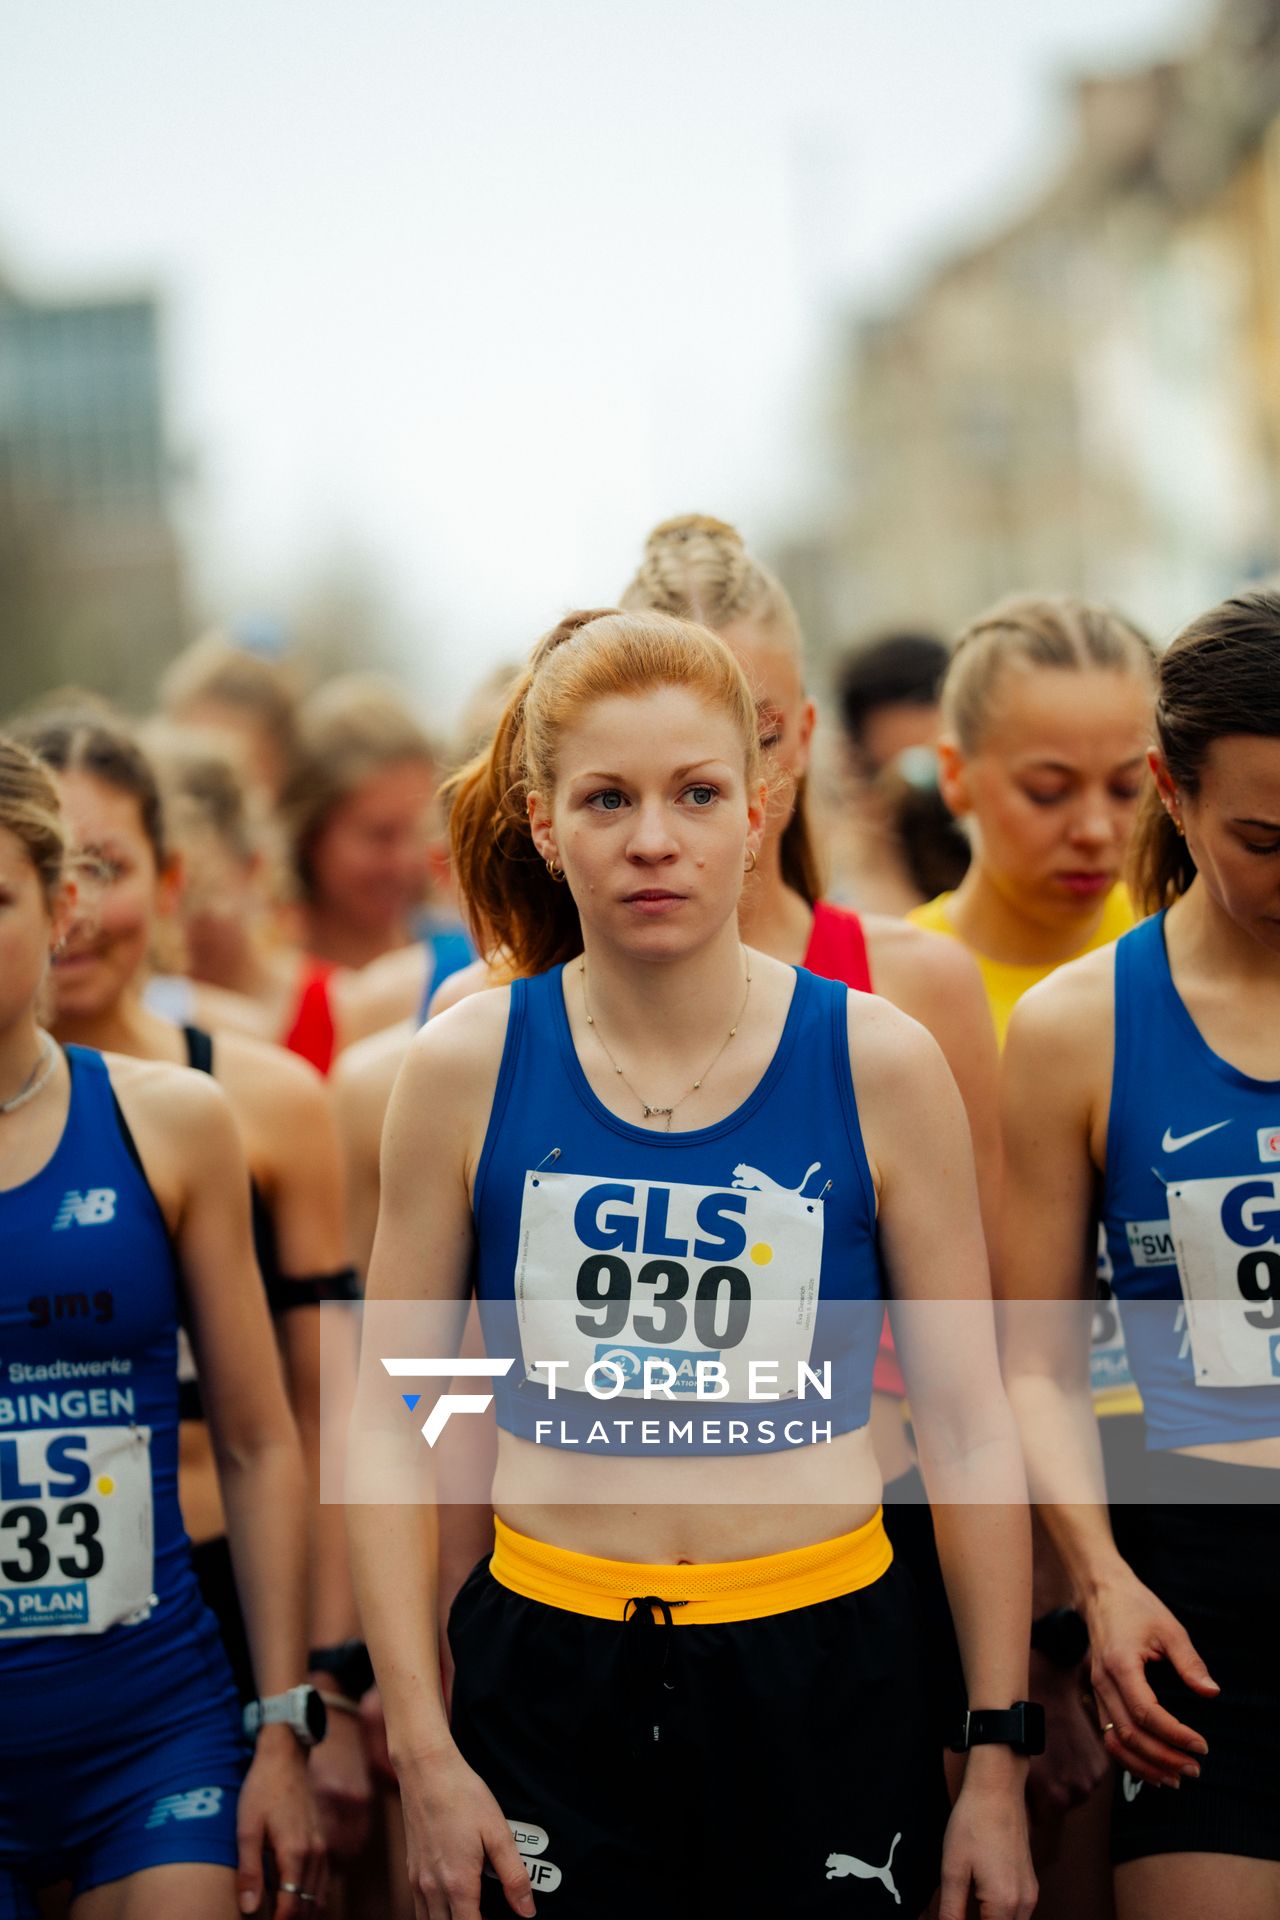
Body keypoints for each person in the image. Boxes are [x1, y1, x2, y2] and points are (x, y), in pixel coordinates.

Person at [347, 608, 1036, 1920]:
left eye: (698, 793)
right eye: (608, 799)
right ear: (545, 823)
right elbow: (396, 1415)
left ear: (761, 806)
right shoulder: (464, 1065)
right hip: (546, 1670)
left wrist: (996, 1756)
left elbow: (968, 1421)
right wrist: (422, 1749)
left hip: (827, 1662)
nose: (654, 838)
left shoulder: (883, 1062)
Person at [13, 708, 372, 1870]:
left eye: (103, 866)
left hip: (224, 1591)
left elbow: (325, 1415)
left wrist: (325, 1676)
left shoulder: (249, 1100)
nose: (77, 909)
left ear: (162, 883)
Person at [1000, 589, 1280, 1920]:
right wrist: (1099, 1585)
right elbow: (1035, 1364)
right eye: (1265, 840)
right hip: (1202, 1596)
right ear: (1170, 793)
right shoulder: (1077, 1027)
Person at [910, 592, 1156, 1911]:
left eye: (1130, 785)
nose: (1098, 830)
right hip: (976, 1526)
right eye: (1050, 788)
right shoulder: (898, 991)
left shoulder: (1192, 970)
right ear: (956, 775)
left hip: (1185, 1502)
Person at [828, 630, 966, 913]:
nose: (932, 806)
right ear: (852, 766)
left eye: (938, 774)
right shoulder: (833, 900)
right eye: (904, 779)